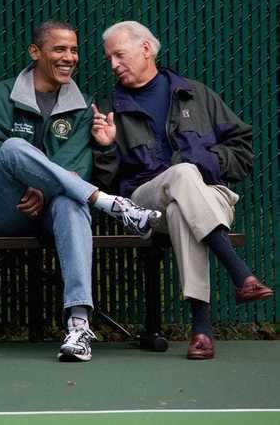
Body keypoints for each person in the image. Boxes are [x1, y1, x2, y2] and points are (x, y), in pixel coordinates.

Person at [0, 20, 162, 362]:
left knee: (71, 204)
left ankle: (79, 325)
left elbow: (77, 166)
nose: (69, 57)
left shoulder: (84, 105)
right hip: (10, 206)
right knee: (11, 147)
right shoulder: (2, 93)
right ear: (35, 52)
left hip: (54, 210)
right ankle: (110, 204)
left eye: (74, 50)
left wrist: (47, 189)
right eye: (59, 49)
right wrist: (33, 183)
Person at [92, 20, 274, 360]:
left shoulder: (195, 94)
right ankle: (240, 274)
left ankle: (202, 330)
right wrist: (105, 148)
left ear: (146, 49)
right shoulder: (111, 109)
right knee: (180, 177)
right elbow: (107, 185)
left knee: (182, 198)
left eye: (119, 55)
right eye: (109, 59)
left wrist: (205, 160)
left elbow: (242, 151)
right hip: (144, 203)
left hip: (208, 195)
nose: (113, 65)